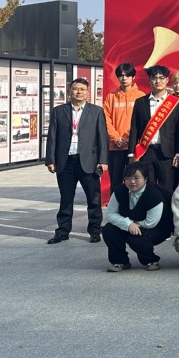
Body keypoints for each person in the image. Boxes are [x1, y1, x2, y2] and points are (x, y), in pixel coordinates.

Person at [45, 77, 109, 244]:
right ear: (70, 91)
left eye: (82, 89)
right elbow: (52, 136)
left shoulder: (96, 111)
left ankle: (95, 231)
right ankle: (62, 231)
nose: (79, 92)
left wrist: (103, 160)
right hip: (65, 162)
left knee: (93, 199)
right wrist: (50, 159)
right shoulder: (59, 111)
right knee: (66, 198)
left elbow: (102, 137)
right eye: (75, 89)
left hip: (88, 161)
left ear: (87, 93)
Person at [100, 163, 172, 271]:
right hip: (131, 224)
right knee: (109, 229)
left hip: (156, 228)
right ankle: (120, 261)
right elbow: (110, 214)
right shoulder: (119, 191)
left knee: (135, 238)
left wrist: (132, 224)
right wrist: (128, 224)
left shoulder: (154, 195)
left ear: (145, 179)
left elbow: (150, 223)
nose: (132, 182)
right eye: (128, 178)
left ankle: (151, 260)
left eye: (137, 178)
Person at [127, 65, 179, 197]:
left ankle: (167, 212)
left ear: (167, 80)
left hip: (167, 153)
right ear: (149, 80)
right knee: (147, 189)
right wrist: (131, 154)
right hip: (146, 152)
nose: (158, 81)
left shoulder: (176, 103)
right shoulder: (140, 102)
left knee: (168, 189)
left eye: (161, 78)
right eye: (154, 78)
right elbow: (134, 129)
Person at [103, 62, 146, 194]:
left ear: (133, 77)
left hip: (135, 147)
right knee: (116, 181)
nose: (124, 78)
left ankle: (136, 205)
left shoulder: (141, 96)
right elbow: (106, 120)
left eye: (127, 75)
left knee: (137, 180)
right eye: (121, 76)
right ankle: (116, 205)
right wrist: (116, 138)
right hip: (115, 146)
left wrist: (131, 139)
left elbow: (144, 121)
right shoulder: (111, 97)